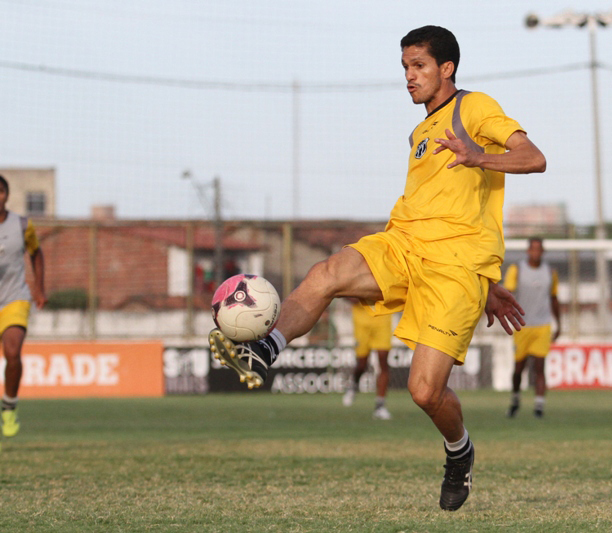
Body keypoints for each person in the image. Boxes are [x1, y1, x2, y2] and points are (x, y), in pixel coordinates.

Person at [208, 25, 544, 511]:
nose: (409, 77)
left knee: (425, 392)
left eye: (419, 66)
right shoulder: (421, 130)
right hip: (405, 244)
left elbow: (534, 158)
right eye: (405, 67)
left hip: (455, 267)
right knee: (326, 274)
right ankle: (264, 347)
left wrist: (480, 156)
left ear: (447, 68)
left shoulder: (474, 108)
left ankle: (459, 452)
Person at [0, 175, 47, 448]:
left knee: (13, 352)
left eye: (1, 191)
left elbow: (36, 254)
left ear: (7, 195)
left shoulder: (21, 224)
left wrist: (39, 289)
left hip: (15, 299)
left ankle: (9, 406)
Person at [503, 237, 560, 419]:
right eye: (533, 249)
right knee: (519, 368)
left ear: (543, 251)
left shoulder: (550, 273)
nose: (536, 252)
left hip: (543, 325)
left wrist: (559, 323)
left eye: (539, 249)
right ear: (528, 251)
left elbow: (554, 299)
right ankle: (515, 400)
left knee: (539, 367)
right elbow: (508, 294)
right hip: (522, 325)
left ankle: (539, 407)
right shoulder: (517, 270)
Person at [342, 299, 393, 420]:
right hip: (361, 320)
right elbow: (346, 293)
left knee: (383, 360)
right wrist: (357, 294)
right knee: (362, 364)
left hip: (382, 318)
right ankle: (354, 385)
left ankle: (380, 406)